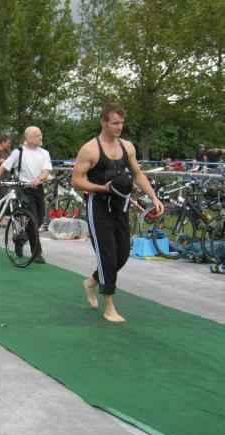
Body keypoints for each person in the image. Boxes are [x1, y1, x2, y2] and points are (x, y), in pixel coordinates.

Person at [71, 103, 164, 323]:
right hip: (98, 207)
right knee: (107, 256)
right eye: (114, 123)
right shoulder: (90, 149)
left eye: (121, 123)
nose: (119, 127)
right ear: (103, 122)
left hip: (120, 206)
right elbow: (76, 180)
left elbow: (137, 173)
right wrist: (102, 188)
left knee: (121, 255)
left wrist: (153, 196)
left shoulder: (127, 147)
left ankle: (91, 282)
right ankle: (109, 307)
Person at [0, 126, 52, 263]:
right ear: (29, 138)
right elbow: (4, 167)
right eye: (37, 135)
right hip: (24, 189)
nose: (41, 137)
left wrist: (39, 179)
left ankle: (20, 240)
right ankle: (36, 253)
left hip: (38, 188)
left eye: (40, 134)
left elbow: (46, 170)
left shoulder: (44, 153)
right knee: (33, 219)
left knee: (39, 220)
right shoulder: (18, 152)